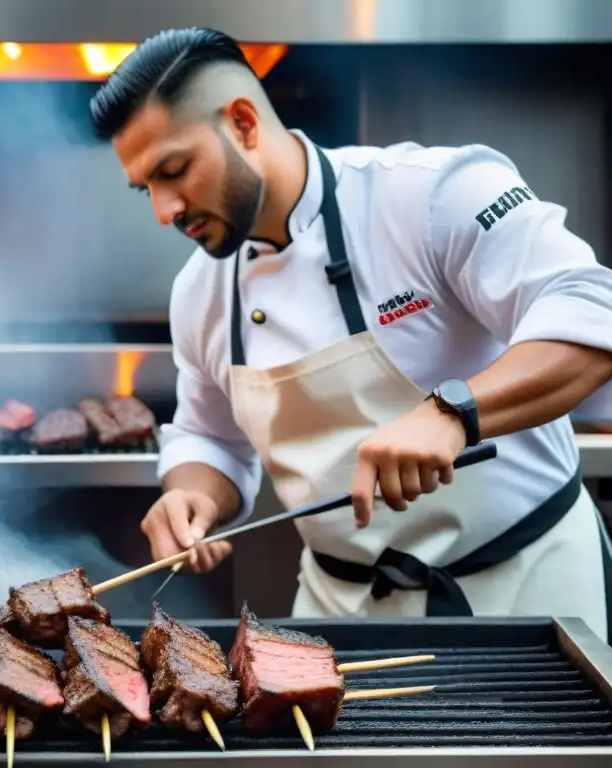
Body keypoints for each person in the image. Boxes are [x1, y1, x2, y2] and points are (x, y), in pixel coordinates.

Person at [88, 27, 612, 639]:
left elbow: (591, 308)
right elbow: (210, 439)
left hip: (527, 589)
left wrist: (453, 412)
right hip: (342, 615)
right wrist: (192, 495)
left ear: (243, 124)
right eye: (145, 187)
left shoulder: (430, 196)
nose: (163, 210)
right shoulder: (200, 291)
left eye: (174, 171)